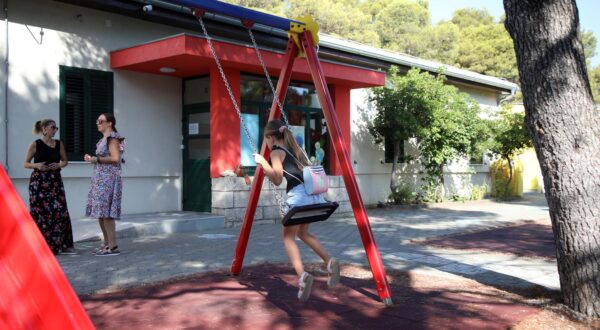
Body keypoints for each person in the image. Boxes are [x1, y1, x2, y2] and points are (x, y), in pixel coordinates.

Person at [253, 119, 340, 302]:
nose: (266, 144)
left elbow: (277, 179)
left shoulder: (277, 152)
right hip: (313, 195)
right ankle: (329, 261)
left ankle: (302, 276)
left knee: (287, 237)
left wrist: (263, 162)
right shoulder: (297, 149)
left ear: (270, 137)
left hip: (299, 197)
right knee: (303, 232)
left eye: (266, 140)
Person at [24, 119, 75, 255]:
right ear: (44, 129)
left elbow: (65, 161)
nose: (55, 130)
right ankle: (39, 245)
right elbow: (26, 163)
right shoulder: (35, 144)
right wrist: (37, 165)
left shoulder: (59, 144)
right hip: (38, 183)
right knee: (40, 212)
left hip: (55, 182)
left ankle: (60, 244)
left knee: (59, 211)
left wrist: (59, 165)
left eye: (56, 128)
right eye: (53, 127)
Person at [84, 113, 125, 256]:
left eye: (101, 121)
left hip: (108, 179)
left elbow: (115, 158)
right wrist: (93, 159)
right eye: (97, 120)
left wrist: (96, 159)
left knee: (106, 214)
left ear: (110, 123)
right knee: (101, 213)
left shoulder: (112, 138)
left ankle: (113, 246)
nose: (97, 123)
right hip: (101, 179)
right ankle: (107, 243)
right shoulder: (104, 139)